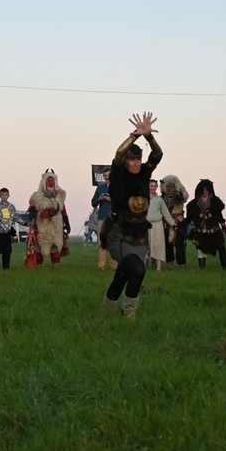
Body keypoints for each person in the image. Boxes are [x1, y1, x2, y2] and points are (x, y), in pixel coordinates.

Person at [103, 112, 162, 317]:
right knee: (137, 269)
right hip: (120, 234)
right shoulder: (119, 175)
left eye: (138, 159)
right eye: (132, 159)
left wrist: (149, 137)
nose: (135, 163)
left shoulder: (145, 173)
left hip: (140, 234)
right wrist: (135, 136)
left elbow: (157, 155)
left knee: (124, 274)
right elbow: (118, 155)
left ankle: (107, 309)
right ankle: (129, 314)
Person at [186, 179, 226, 270]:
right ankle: (202, 269)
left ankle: (225, 267)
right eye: (203, 190)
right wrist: (182, 225)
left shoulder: (215, 202)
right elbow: (189, 218)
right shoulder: (194, 204)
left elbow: (219, 216)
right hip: (200, 232)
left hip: (214, 231)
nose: (205, 192)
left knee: (221, 247)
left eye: (207, 190)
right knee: (201, 250)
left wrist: (224, 226)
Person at [29, 170, 70, 266]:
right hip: (41, 224)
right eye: (48, 181)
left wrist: (67, 223)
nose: (51, 184)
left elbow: (63, 210)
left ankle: (56, 266)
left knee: (55, 244)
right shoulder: (37, 197)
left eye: (52, 181)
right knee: (40, 244)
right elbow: (32, 209)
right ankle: (38, 266)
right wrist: (32, 220)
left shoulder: (60, 197)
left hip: (56, 226)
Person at [0, 188, 18, 270]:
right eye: (2, 195)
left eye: (6, 195)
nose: (4, 197)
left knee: (7, 251)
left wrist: (25, 223)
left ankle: (6, 267)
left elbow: (16, 217)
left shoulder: (11, 207)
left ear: (8, 195)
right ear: (0, 196)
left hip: (7, 233)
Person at [92, 168, 113, 270]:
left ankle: (115, 266)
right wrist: (99, 199)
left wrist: (110, 199)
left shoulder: (116, 188)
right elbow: (93, 203)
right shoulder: (100, 188)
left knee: (114, 242)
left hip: (114, 218)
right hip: (102, 217)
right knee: (101, 242)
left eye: (108, 175)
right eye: (104, 176)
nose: (106, 177)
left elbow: (121, 203)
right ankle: (101, 266)